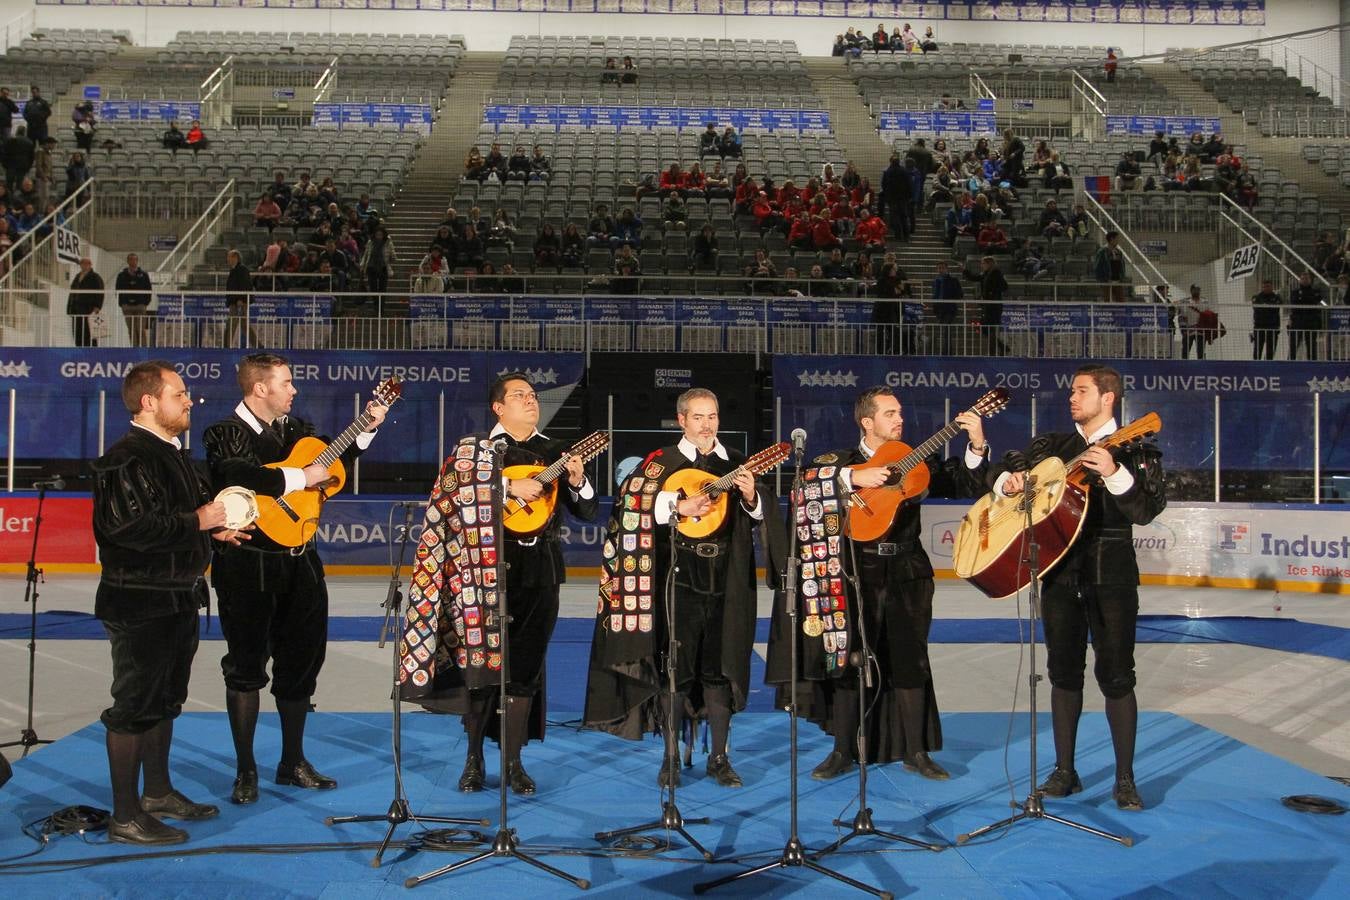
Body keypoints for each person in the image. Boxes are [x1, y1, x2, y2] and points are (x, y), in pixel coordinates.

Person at [767, 386, 989, 783]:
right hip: (855, 572)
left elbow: (966, 483)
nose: (899, 419)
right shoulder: (838, 461)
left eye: (900, 412)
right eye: (890, 413)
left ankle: (916, 750)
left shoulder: (915, 461)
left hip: (907, 573)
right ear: (867, 422)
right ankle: (843, 750)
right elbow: (804, 488)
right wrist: (854, 477)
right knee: (850, 658)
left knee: (910, 661)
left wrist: (975, 441)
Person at [203, 353, 386, 804]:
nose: (294, 390)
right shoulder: (224, 433)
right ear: (260, 388)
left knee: (302, 665)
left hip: (302, 562)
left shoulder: (298, 428)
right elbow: (238, 473)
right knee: (246, 667)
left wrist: (369, 423)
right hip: (248, 563)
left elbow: (331, 455)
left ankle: (292, 761)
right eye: (286, 383)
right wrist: (301, 477)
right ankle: (246, 770)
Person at [990, 365, 1166, 811]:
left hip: (1113, 575)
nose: (1072, 398)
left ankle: (1125, 778)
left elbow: (1146, 510)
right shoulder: (1054, 446)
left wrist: (1113, 472)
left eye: (1081, 391)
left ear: (1108, 398)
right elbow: (1006, 469)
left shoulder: (1136, 448)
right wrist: (1007, 481)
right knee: (1063, 674)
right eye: (1071, 391)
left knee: (1116, 675)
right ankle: (1065, 771)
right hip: (1059, 572)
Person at [584, 388, 776, 787]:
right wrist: (677, 506)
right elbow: (630, 506)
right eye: (699, 417)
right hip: (677, 575)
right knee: (676, 667)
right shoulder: (661, 463)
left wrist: (751, 494)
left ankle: (720, 757)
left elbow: (759, 516)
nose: (707, 425)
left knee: (720, 666)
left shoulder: (736, 463)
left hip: (727, 576)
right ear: (682, 420)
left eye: (713, 417)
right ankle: (670, 757)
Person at [92, 361, 249, 844]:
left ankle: (156, 793)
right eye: (179, 394)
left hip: (178, 597)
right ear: (149, 402)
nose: (189, 401)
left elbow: (182, 518)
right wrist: (198, 522)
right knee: (134, 706)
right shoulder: (127, 458)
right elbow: (124, 529)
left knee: (165, 700)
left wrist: (214, 530)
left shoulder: (173, 454)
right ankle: (124, 816)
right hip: (140, 600)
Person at [420, 373, 598, 794]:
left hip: (541, 569)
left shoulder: (555, 451)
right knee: (482, 665)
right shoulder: (476, 449)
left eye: (533, 395)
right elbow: (451, 492)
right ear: (498, 407)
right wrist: (505, 486)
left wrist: (576, 480)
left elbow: (587, 512)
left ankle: (514, 761)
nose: (531, 400)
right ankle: (473, 760)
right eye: (520, 395)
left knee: (525, 668)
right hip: (485, 569)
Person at [115, 253, 153, 348]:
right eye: (131, 259)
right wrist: (122, 303)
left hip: (140, 305)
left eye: (135, 260)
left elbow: (148, 289)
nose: (133, 262)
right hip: (127, 306)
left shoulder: (144, 275)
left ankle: (144, 349)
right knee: (131, 329)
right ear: (128, 261)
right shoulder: (121, 275)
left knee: (140, 329)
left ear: (137, 261)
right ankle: (134, 349)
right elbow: (118, 289)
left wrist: (145, 303)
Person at [1287, 271, 1325, 361]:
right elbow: (1295, 301)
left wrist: (1304, 298)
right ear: (1300, 280)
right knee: (1294, 344)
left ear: (1310, 280)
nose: (1305, 280)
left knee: (1311, 344)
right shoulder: (1295, 292)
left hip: (1311, 321)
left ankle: (1313, 364)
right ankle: (1289, 363)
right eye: (1303, 279)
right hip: (1297, 320)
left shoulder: (1316, 291)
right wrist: (1309, 299)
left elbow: (1315, 300)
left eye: (1307, 279)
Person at [68, 256, 104, 347]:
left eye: (85, 263)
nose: (83, 266)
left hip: (88, 310)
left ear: (90, 265)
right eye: (82, 263)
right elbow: (72, 293)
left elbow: (100, 292)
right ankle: (79, 349)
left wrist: (97, 307)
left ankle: (91, 352)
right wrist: (69, 307)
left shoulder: (95, 277)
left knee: (89, 333)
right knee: (77, 333)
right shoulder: (77, 277)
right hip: (76, 310)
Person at [930, 259, 963, 356]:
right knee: (942, 331)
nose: (940, 270)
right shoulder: (936, 281)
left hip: (949, 308)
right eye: (939, 268)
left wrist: (950, 298)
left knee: (946, 330)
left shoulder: (953, 280)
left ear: (947, 269)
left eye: (942, 268)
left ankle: (947, 353)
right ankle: (942, 351)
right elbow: (935, 294)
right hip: (939, 309)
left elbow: (960, 294)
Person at [979, 255, 1008, 356]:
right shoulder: (986, 274)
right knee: (985, 328)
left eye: (983, 263)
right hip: (988, 305)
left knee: (990, 328)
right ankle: (1003, 347)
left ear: (989, 264)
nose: (981, 266)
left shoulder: (996, 273)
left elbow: (1004, 286)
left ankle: (993, 353)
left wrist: (992, 293)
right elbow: (976, 278)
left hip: (994, 306)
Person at [224, 249, 253, 349]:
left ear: (235, 257)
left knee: (232, 324)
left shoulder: (242, 269)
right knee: (243, 325)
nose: (227, 259)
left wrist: (240, 299)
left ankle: (226, 347)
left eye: (229, 257)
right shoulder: (234, 270)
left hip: (239, 302)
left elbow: (245, 285)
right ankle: (258, 345)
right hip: (234, 301)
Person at [1251, 277, 1281, 361]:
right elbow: (1258, 309)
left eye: (1268, 286)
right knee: (1257, 350)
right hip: (1259, 327)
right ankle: (1256, 366)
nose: (1266, 288)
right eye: (1264, 286)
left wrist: (1265, 306)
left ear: (1272, 287)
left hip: (1272, 327)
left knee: (1270, 351)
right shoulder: (1257, 297)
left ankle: (1268, 367)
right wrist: (1269, 307)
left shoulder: (1276, 297)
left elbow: (1276, 308)